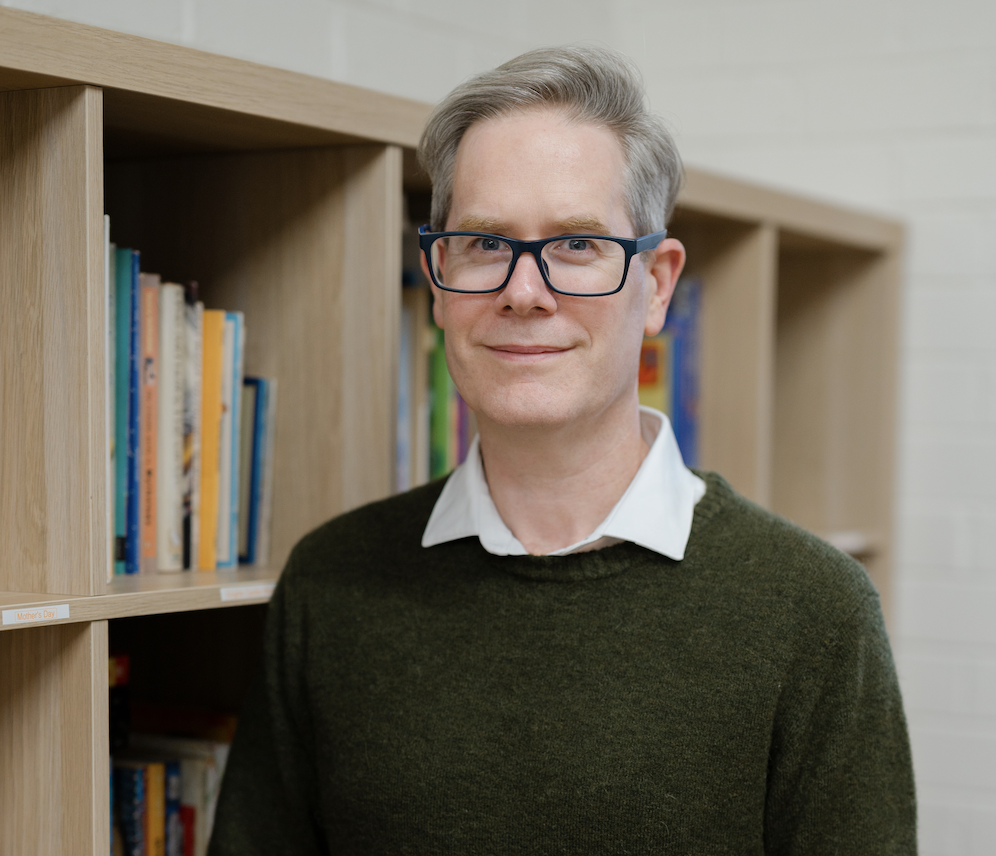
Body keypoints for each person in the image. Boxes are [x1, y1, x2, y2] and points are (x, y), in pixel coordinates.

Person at [209, 45, 916, 854]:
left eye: (577, 246)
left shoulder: (813, 612)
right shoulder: (330, 583)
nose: (523, 291)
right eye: (483, 244)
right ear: (437, 278)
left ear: (656, 285)